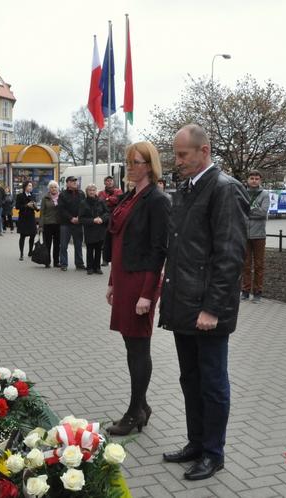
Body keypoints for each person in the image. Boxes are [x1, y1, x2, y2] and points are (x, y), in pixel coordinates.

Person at [159, 124, 248, 481]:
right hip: (184, 304)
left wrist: (212, 308)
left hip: (208, 310)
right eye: (176, 155)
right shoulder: (187, 188)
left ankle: (214, 453)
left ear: (204, 151)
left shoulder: (225, 189)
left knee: (212, 384)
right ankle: (196, 443)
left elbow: (230, 255)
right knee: (190, 379)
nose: (177, 161)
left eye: (183, 155)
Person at [104, 142, 170, 436]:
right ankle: (142, 407)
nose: (130, 168)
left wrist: (147, 294)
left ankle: (135, 412)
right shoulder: (130, 196)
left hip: (141, 280)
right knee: (131, 346)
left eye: (136, 162)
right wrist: (112, 281)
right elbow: (119, 241)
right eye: (128, 162)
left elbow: (158, 250)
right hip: (124, 278)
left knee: (139, 347)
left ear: (150, 165)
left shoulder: (157, 200)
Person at [241, 170, 269, 302]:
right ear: (247, 180)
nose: (254, 181)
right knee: (245, 265)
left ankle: (257, 292)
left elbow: (263, 213)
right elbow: (239, 211)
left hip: (259, 235)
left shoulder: (264, 194)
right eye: (251, 178)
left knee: (259, 265)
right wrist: (254, 210)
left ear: (260, 180)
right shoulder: (242, 193)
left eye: (257, 179)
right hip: (244, 234)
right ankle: (245, 291)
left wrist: (248, 211)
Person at [79, 184, 110, 275]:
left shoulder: (101, 201)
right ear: (87, 192)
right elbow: (81, 219)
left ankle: (97, 267)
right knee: (89, 249)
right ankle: (90, 268)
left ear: (96, 191)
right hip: (89, 229)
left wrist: (102, 219)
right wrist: (93, 220)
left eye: (93, 190)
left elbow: (107, 213)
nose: (92, 192)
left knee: (98, 249)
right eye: (90, 190)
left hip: (100, 229)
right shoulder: (83, 203)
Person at [58, 176, 86, 271]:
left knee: (78, 245)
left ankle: (79, 263)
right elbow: (61, 209)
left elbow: (84, 207)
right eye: (72, 181)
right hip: (66, 223)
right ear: (67, 183)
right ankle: (63, 264)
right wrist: (71, 218)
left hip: (78, 223)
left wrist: (79, 217)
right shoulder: (62, 194)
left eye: (75, 181)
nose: (75, 182)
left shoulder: (81, 193)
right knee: (63, 245)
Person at [39, 180, 61, 268]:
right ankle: (47, 261)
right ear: (49, 189)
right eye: (51, 187)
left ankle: (56, 262)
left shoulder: (61, 197)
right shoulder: (45, 198)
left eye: (55, 187)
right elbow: (42, 213)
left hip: (58, 224)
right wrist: (40, 225)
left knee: (57, 244)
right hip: (47, 224)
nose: (53, 189)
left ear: (58, 188)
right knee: (47, 244)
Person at [15, 181, 39, 260]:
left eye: (31, 186)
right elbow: (17, 207)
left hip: (31, 218)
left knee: (33, 235)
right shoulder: (20, 196)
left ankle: (30, 251)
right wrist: (26, 205)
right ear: (25, 187)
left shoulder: (33, 196)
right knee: (22, 236)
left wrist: (36, 207)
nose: (31, 187)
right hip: (23, 218)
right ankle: (21, 254)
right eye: (29, 186)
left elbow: (35, 208)